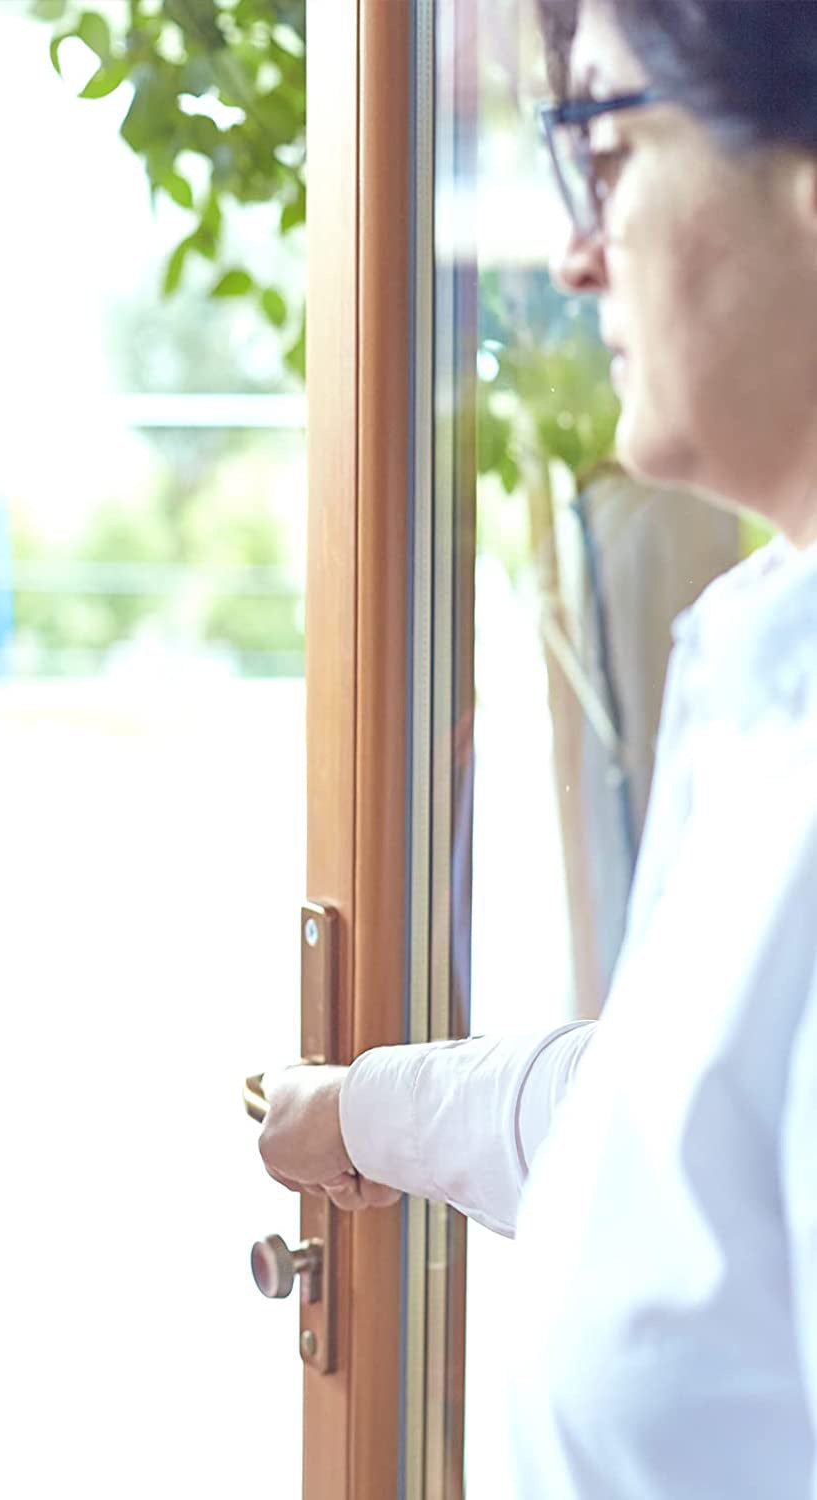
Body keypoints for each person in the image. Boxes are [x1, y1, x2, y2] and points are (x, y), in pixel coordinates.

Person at [258, 0, 817, 1494]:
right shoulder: (764, 672)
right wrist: (362, 1109)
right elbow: (658, 1121)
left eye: (607, 150)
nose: (576, 254)